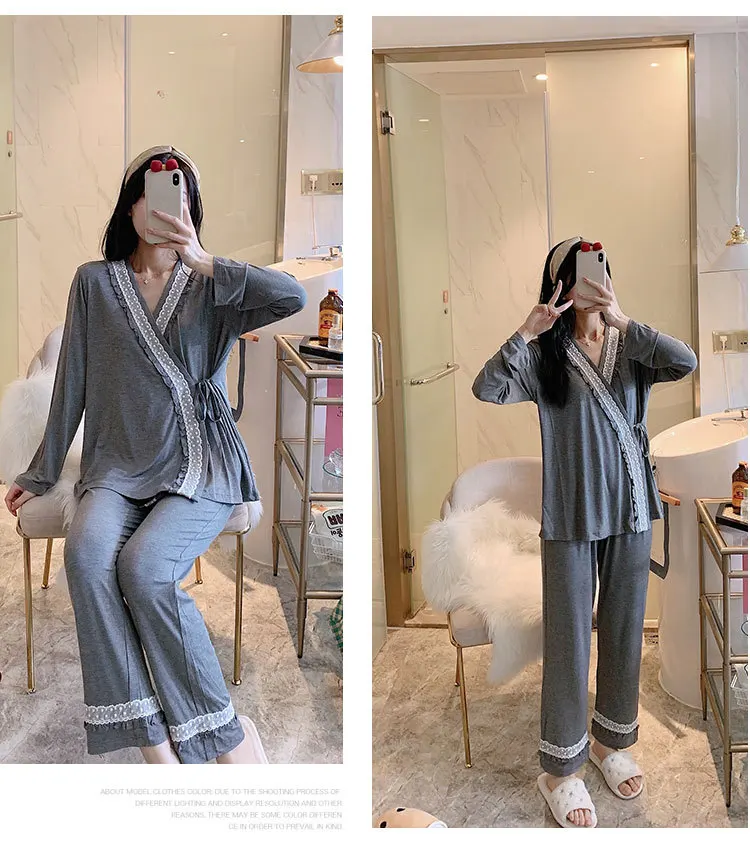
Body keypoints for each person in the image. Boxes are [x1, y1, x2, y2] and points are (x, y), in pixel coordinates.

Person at [4, 145, 306, 764]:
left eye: (179, 195)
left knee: (144, 569)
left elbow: (291, 297)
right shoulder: (94, 282)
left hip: (198, 462)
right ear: (131, 206)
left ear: (191, 210)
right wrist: (40, 470)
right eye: (152, 192)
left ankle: (224, 735)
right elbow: (71, 383)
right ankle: (153, 743)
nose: (165, 206)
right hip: (115, 466)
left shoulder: (212, 285)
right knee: (87, 558)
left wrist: (204, 260)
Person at [472, 237, 697, 827]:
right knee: (569, 638)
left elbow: (685, 361)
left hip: (631, 508)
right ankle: (560, 769)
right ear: (561, 287)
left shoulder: (631, 346)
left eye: (599, 271)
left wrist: (623, 319)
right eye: (578, 275)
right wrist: (527, 331)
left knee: (623, 630)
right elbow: (486, 387)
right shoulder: (545, 357)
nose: (591, 283)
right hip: (572, 515)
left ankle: (609, 743)